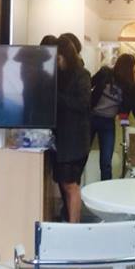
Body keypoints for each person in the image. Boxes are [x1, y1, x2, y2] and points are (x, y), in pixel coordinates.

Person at [48, 35, 91, 223]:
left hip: (75, 140)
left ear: (66, 56)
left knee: (70, 185)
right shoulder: (60, 75)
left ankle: (74, 227)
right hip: (63, 139)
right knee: (65, 184)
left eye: (59, 58)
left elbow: (82, 104)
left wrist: (56, 96)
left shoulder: (82, 75)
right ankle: (70, 221)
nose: (57, 62)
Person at [90, 54, 135, 181]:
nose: (134, 72)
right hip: (91, 119)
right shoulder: (105, 73)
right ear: (126, 68)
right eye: (133, 69)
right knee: (81, 156)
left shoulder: (131, 87)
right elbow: (87, 86)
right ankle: (74, 187)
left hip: (108, 123)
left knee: (106, 162)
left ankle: (106, 189)